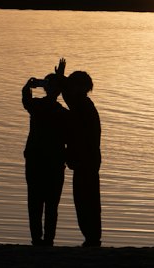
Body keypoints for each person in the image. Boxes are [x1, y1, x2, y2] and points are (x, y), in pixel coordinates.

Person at [20, 62, 69, 247]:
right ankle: (48, 240)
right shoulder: (63, 113)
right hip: (54, 162)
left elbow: (25, 99)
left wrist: (29, 86)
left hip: (37, 160)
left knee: (35, 202)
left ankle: (37, 240)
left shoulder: (38, 106)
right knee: (51, 204)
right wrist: (60, 80)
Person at [59, 69, 102, 246]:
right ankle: (91, 237)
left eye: (73, 84)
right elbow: (69, 97)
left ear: (82, 87)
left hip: (87, 160)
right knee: (87, 198)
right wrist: (62, 79)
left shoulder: (83, 105)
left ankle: (92, 237)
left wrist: (62, 80)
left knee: (86, 199)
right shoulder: (83, 104)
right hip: (87, 160)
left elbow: (68, 98)